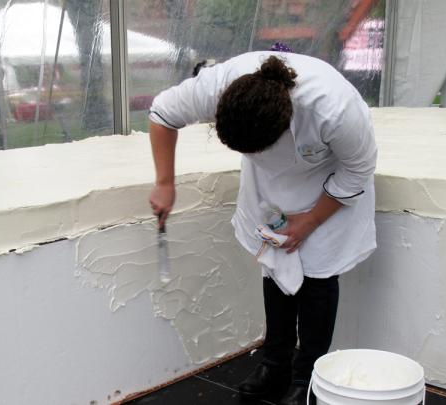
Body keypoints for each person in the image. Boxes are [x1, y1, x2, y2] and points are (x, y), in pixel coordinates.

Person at [147, 51, 377, 405]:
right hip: (269, 185)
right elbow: (163, 113)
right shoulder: (218, 85)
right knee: (275, 266)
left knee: (318, 275)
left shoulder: (335, 109)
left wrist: (311, 220)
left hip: (328, 182)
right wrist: (165, 182)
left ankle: (308, 377)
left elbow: (358, 170)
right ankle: (275, 364)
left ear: (285, 125)